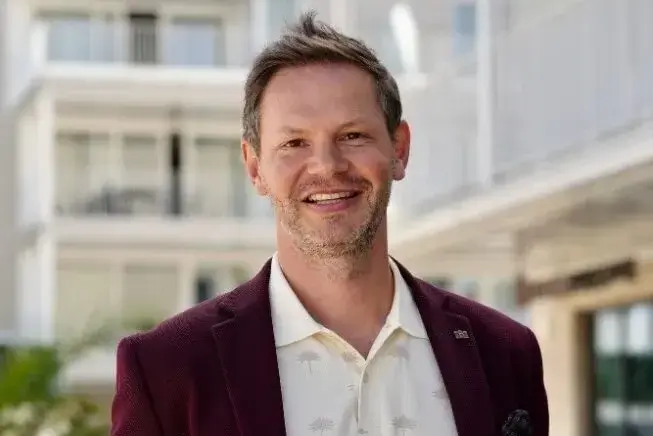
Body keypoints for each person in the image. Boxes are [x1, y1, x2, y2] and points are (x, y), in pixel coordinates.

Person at [111, 12, 548, 436]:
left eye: (352, 136)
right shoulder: (167, 370)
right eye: (294, 142)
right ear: (255, 167)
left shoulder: (504, 352)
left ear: (399, 149)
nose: (327, 165)